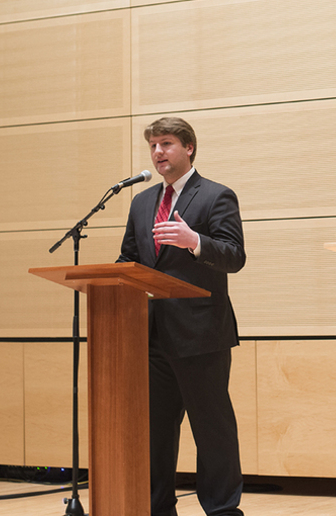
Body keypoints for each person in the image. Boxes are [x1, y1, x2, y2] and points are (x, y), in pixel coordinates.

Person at [117, 117, 246, 516]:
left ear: (188, 147)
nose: (158, 152)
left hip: (201, 334)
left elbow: (234, 256)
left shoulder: (216, 196)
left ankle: (223, 510)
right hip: (152, 335)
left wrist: (195, 242)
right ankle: (157, 508)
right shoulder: (141, 203)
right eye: (153, 145)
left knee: (212, 429)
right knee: (156, 432)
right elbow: (129, 259)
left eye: (167, 143)